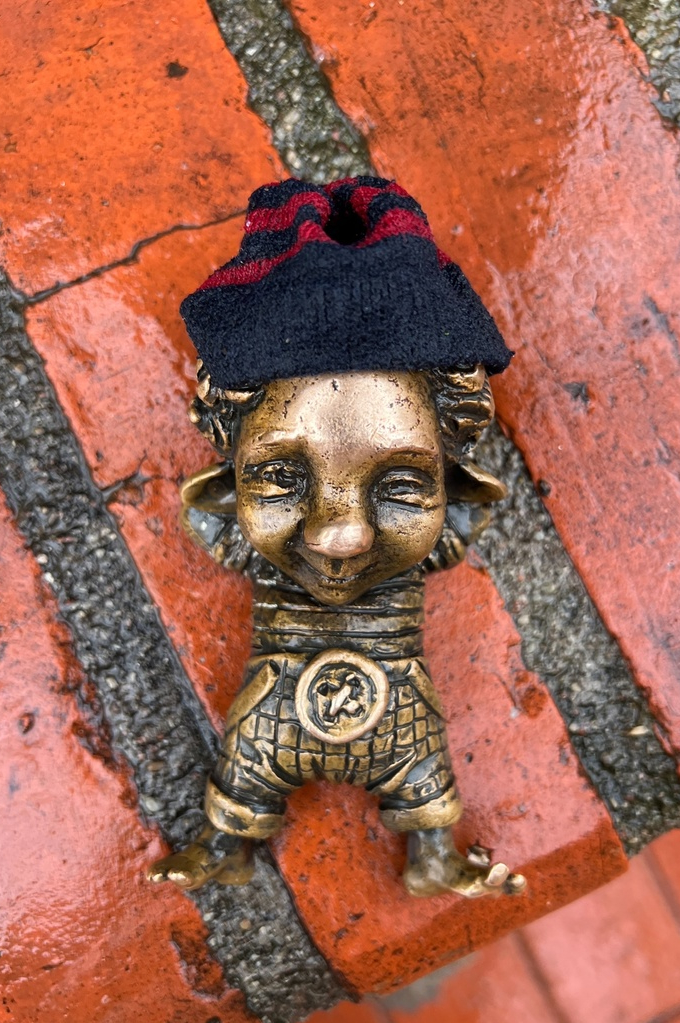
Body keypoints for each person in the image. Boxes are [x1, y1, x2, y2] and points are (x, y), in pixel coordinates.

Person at [148, 176, 526, 898]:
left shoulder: (432, 529)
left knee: (422, 758)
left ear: (456, 494)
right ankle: (225, 845)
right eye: (281, 478)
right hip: (275, 702)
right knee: (248, 753)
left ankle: (434, 858)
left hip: (399, 707)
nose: (341, 536)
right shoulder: (249, 531)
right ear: (227, 490)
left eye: (402, 485)